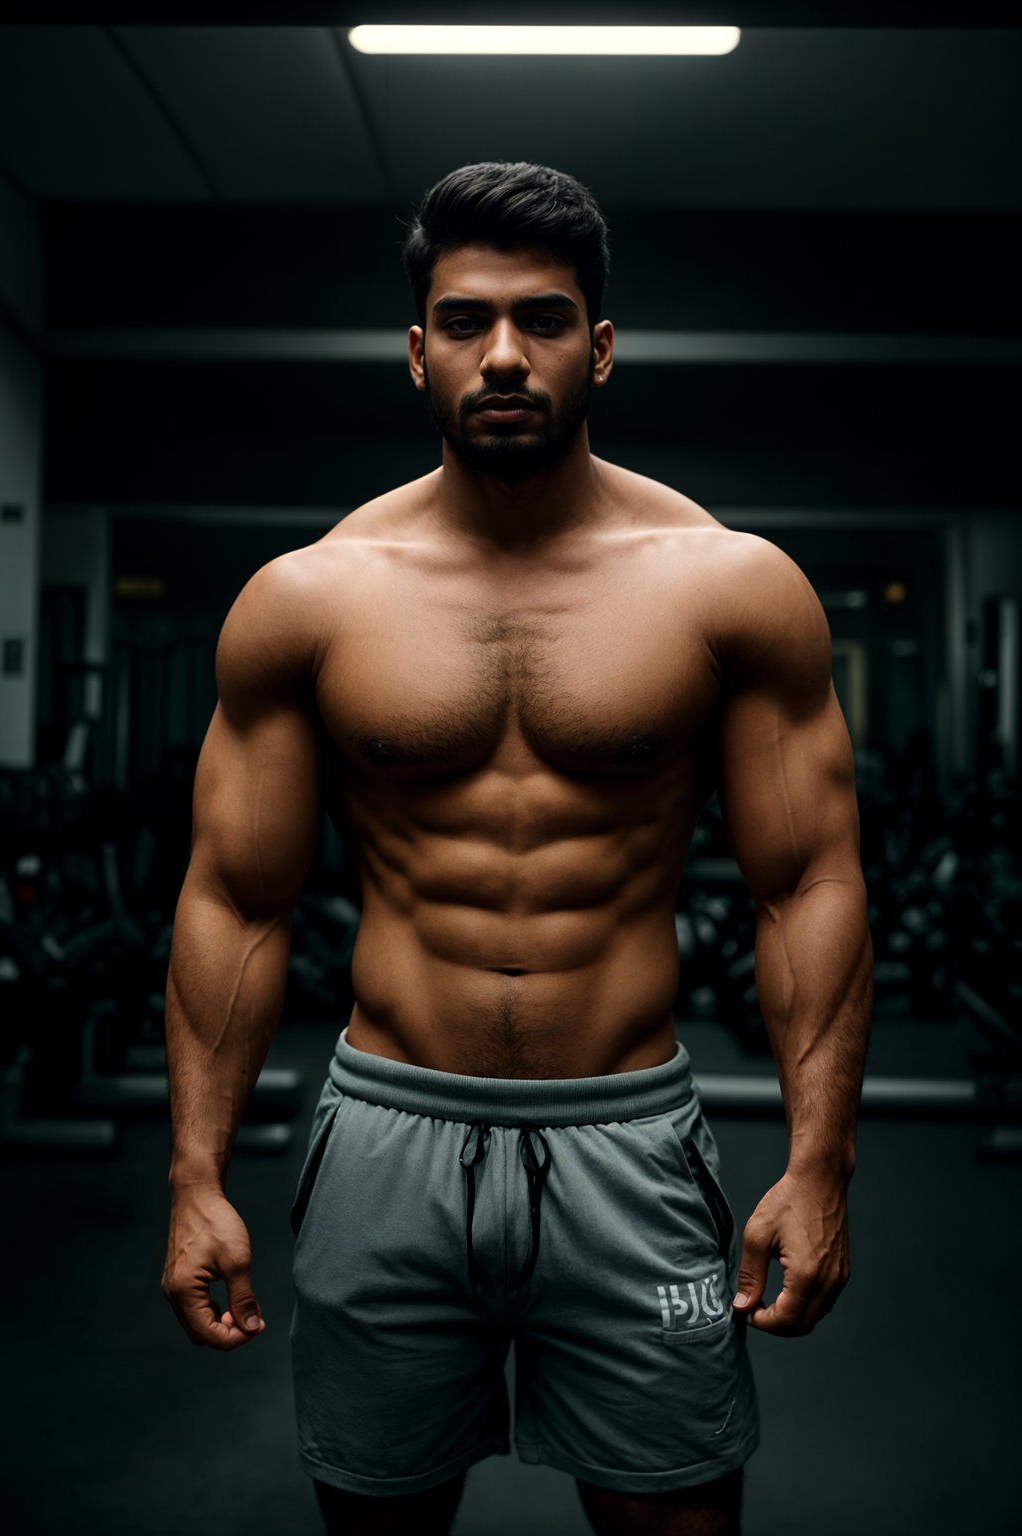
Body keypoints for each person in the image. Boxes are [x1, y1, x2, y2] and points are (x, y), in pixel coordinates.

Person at [161, 162, 873, 1536]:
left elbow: (807, 883)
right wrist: (194, 1179)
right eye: (467, 319)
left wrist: (821, 1158)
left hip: (626, 1136)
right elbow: (235, 899)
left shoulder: (729, 585)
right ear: (416, 350)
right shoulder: (309, 599)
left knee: (676, 1519)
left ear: (599, 349)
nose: (505, 353)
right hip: (386, 1136)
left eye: (544, 320)